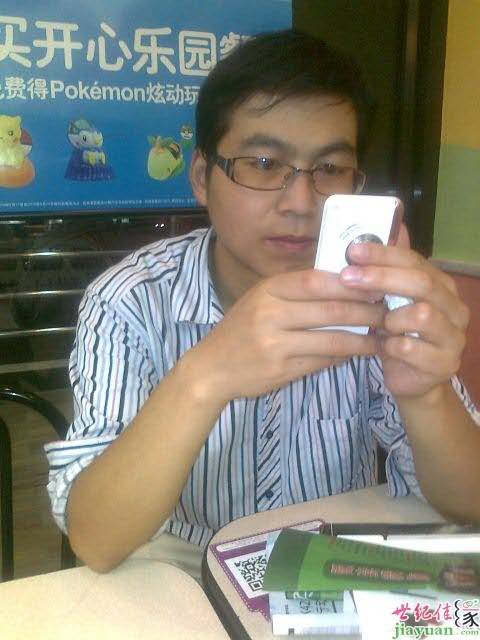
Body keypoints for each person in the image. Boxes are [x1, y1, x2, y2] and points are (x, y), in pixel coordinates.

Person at [45, 30, 480, 576]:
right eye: (264, 163)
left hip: (330, 559)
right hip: (184, 566)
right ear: (202, 178)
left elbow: (470, 503)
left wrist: (426, 394)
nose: (300, 203)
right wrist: (205, 375)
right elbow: (96, 540)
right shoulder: (130, 300)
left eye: (329, 169)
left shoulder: (375, 295)